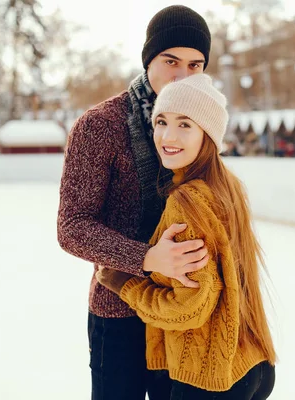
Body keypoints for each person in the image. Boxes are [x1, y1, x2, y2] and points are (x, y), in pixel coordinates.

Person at [57, 5, 213, 399]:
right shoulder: (100, 126)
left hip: (182, 314)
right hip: (119, 313)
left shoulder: (204, 125)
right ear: (149, 60)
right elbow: (72, 226)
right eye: (171, 60)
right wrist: (146, 258)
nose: (183, 75)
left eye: (196, 65)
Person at [96, 74, 277, 399]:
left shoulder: (186, 201)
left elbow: (189, 308)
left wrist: (126, 284)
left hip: (209, 378)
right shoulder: (227, 186)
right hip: (251, 363)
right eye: (161, 121)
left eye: (185, 125)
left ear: (207, 134)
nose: (167, 135)